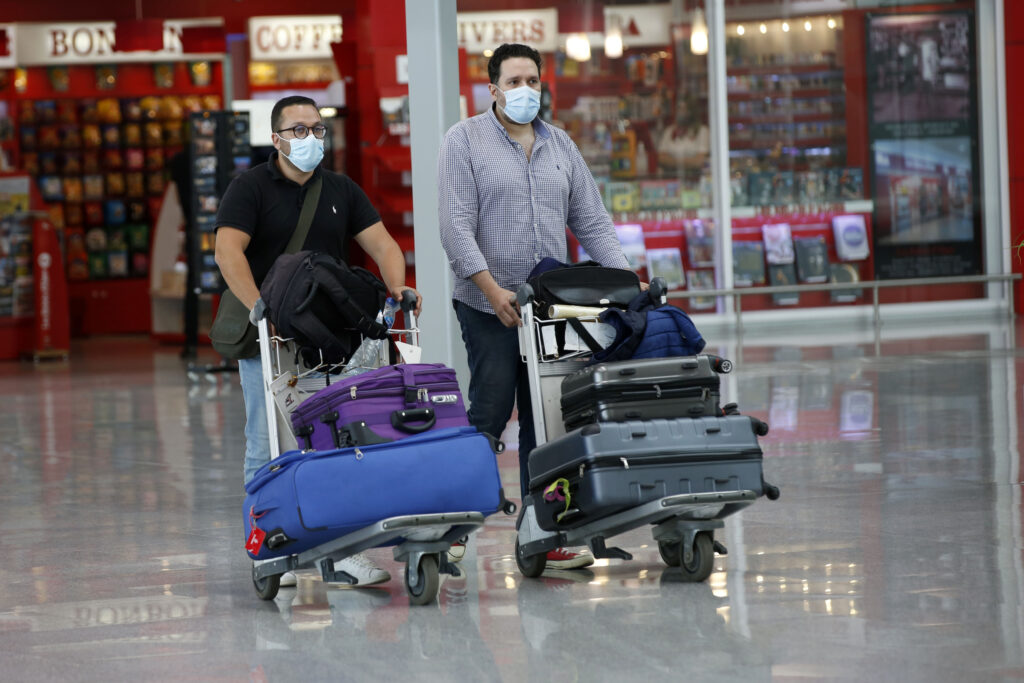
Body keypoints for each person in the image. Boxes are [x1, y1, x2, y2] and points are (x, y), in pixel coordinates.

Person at [438, 43, 631, 571]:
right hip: (488, 305)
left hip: (550, 308)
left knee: (545, 417)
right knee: (491, 410)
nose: (526, 90)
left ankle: (541, 528)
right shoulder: (464, 140)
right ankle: (452, 527)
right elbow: (455, 226)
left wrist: (625, 281)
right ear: (493, 89)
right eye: (514, 81)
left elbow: (591, 220)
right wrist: (490, 287)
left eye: (533, 81)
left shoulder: (560, 144)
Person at [215, 95, 421, 587]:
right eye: (299, 129)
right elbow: (228, 251)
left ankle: (343, 552)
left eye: (318, 128)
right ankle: (269, 545)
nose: (311, 137)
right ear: (277, 138)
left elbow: (383, 245)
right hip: (270, 333)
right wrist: (259, 307)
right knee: (267, 438)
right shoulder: (249, 187)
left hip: (330, 334)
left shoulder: (341, 189)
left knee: (338, 438)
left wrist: (398, 288)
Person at [656, 94, 710, 174]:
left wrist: (672, 161)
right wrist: (687, 162)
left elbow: (699, 161)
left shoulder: (702, 131)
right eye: (679, 108)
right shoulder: (669, 130)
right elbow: (661, 158)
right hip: (671, 177)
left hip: (695, 177)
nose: (680, 112)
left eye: (684, 109)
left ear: (692, 111)